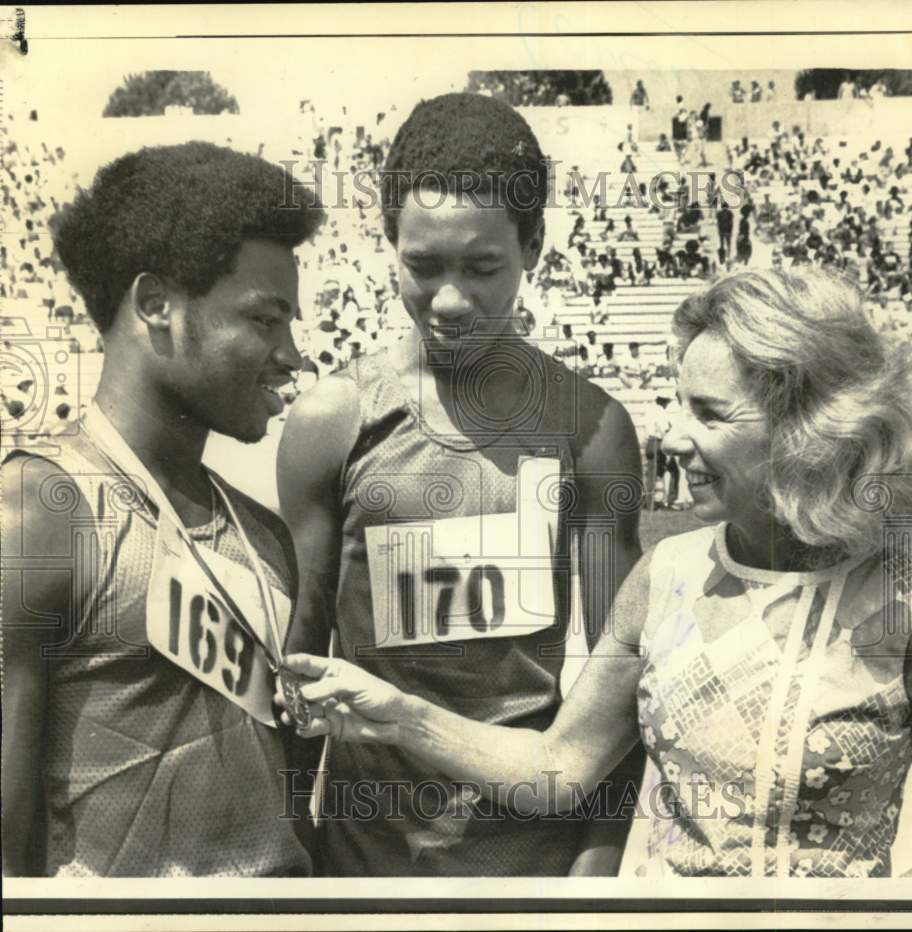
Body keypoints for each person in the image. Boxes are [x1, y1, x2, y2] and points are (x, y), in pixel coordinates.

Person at [281, 268, 912, 879]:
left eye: (709, 414)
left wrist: (886, 905)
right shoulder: (665, 576)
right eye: (681, 406)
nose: (675, 438)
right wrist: (400, 716)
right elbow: (558, 772)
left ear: (810, 428)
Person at [277, 92, 645, 877]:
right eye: (422, 266)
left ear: (534, 244)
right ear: (389, 240)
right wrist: (298, 852)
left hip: (531, 863)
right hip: (364, 861)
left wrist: (594, 869)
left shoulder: (592, 430)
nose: (449, 300)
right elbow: (299, 668)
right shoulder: (332, 421)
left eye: (482, 268)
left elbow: (622, 685)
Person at [1, 142, 324, 876]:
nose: (293, 354)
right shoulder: (39, 514)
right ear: (156, 306)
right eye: (265, 321)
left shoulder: (262, 533)